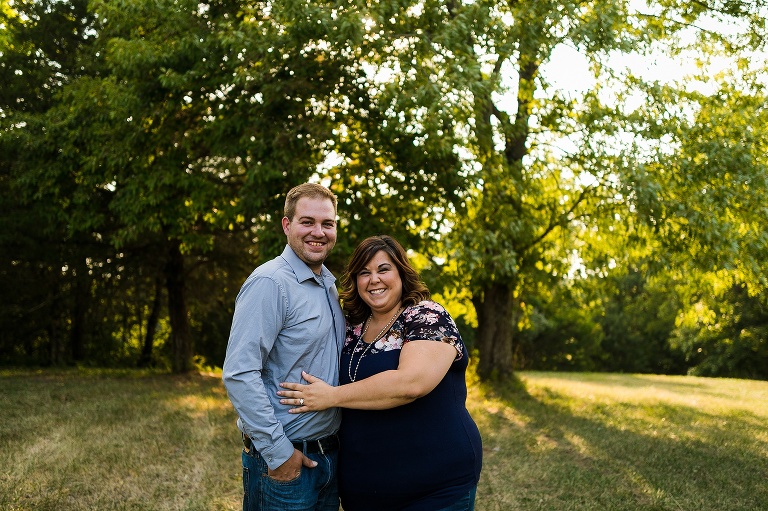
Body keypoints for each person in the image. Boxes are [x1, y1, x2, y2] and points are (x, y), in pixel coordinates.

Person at [278, 235, 483, 511]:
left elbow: (412, 383)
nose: (374, 279)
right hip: (363, 491)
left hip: (435, 487)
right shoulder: (351, 326)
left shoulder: (426, 316)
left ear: (401, 272)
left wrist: (332, 396)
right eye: (364, 272)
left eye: (383, 269)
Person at [222, 183, 346, 511]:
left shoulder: (328, 286)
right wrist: (279, 454)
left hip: (328, 458)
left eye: (328, 224)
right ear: (286, 225)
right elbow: (238, 373)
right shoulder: (271, 283)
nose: (318, 232)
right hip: (285, 464)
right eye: (307, 222)